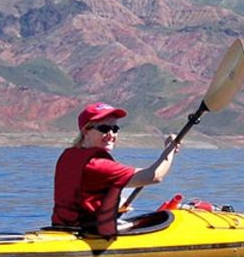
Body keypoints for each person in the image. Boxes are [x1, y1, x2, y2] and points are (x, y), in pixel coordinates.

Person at [52, 102, 180, 238]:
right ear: (85, 131)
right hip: (88, 233)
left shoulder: (67, 156)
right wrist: (169, 150)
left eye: (115, 129)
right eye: (104, 128)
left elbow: (83, 196)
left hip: (63, 228)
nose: (111, 134)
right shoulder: (97, 163)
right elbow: (154, 176)